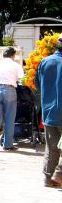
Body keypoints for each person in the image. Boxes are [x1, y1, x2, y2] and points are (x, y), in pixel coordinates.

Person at [35, 34, 62, 187]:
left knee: (51, 147)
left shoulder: (44, 62)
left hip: (49, 112)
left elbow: (38, 85)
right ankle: (59, 173)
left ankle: (47, 178)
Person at [0, 47, 24, 151]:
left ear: (3, 55)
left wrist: (0, 83)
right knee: (9, 118)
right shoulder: (16, 65)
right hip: (10, 91)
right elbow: (22, 80)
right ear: (13, 55)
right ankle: (7, 145)